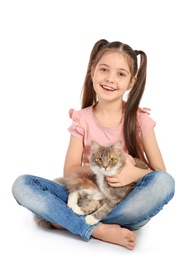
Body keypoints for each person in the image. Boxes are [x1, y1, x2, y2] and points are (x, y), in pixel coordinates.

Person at [12, 39, 175, 250]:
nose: (110, 79)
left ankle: (66, 219)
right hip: (87, 196)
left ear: (131, 83)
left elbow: (161, 173)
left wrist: (132, 174)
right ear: (92, 72)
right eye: (104, 70)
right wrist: (101, 170)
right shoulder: (82, 118)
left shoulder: (139, 119)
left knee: (165, 183)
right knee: (22, 185)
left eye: (121, 74)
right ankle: (97, 229)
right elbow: (69, 170)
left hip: (125, 205)